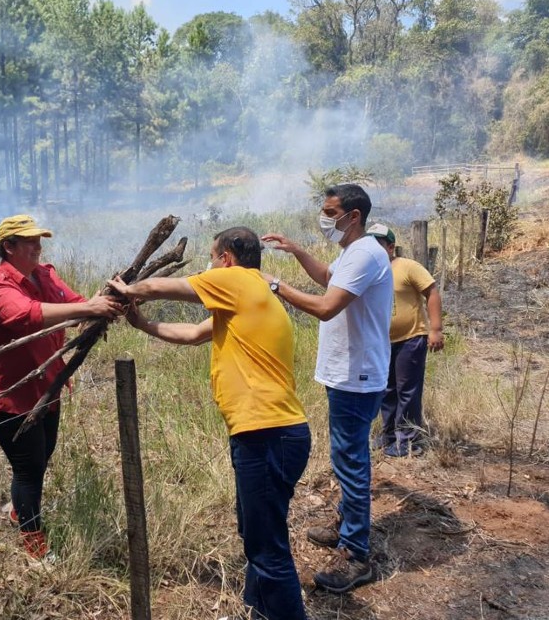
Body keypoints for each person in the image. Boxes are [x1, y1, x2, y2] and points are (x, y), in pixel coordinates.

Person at [108, 227, 310, 620]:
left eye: (212, 257)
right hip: (268, 434)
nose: (210, 265)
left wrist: (127, 290)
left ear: (227, 258)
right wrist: (143, 324)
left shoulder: (237, 280)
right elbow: (191, 334)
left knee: (268, 550)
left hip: (267, 434)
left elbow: (166, 287)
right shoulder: (247, 299)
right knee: (256, 535)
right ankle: (259, 610)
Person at [261, 184, 392, 594]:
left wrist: (275, 285)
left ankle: (356, 553)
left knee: (351, 459)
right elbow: (328, 279)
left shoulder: (367, 253)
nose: (325, 219)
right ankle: (347, 523)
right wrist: (297, 251)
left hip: (358, 376)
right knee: (345, 456)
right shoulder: (352, 251)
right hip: (347, 373)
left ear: (354, 216)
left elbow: (325, 306)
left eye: (331, 212)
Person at [0, 214, 121, 559]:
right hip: (10, 394)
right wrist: (90, 307)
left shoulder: (44, 275)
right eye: (29, 241)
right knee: (28, 468)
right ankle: (34, 542)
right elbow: (28, 314)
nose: (37, 247)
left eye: (38, 240)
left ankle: (18, 510)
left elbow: (75, 305)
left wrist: (106, 301)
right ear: (9, 247)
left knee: (42, 455)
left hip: (47, 385)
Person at [367, 223, 444, 457]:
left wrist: (436, 329)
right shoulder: (369, 271)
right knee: (386, 389)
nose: (373, 249)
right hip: (381, 342)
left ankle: (409, 440)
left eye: (379, 245)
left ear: (391, 247)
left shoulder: (408, 267)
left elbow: (431, 292)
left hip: (410, 339)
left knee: (407, 390)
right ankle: (389, 434)